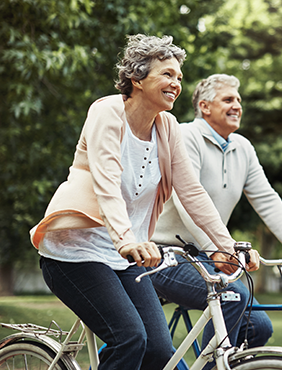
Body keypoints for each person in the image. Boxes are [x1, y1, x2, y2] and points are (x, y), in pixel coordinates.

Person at [30, 37, 259, 370]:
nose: (176, 84)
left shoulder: (167, 128)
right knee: (130, 338)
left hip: (125, 259)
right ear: (137, 79)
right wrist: (127, 241)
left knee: (158, 351)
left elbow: (191, 193)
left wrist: (227, 246)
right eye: (167, 74)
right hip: (75, 253)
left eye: (179, 77)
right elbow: (106, 182)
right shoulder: (107, 112)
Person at [150, 74, 282, 354]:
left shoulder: (243, 147)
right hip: (164, 254)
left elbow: (266, 198)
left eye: (239, 101)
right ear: (205, 106)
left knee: (259, 326)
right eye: (228, 99)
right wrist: (218, 249)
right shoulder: (185, 136)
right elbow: (187, 199)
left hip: (208, 255)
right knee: (231, 297)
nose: (237, 106)